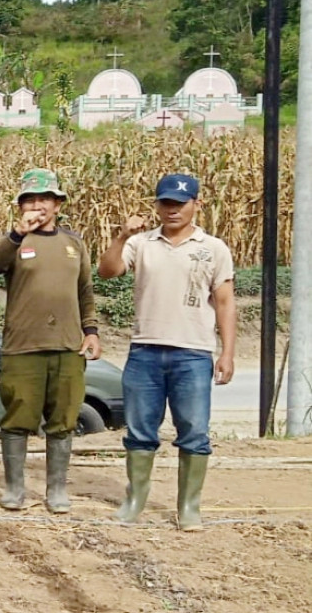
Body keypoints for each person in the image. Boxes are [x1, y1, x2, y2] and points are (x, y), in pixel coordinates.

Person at [98, 174, 236, 531]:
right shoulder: (142, 243)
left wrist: (227, 352)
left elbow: (224, 302)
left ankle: (189, 507)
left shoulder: (214, 248)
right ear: (156, 205)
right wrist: (122, 235)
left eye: (180, 203)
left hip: (192, 353)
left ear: (196, 204)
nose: (172, 210)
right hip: (145, 349)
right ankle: (135, 501)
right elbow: (107, 271)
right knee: (140, 431)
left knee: (194, 431)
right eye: (165, 203)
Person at [0, 169, 101, 514]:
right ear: (21, 206)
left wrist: (91, 330)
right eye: (31, 200)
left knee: (63, 419)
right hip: (22, 346)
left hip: (66, 345)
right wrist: (18, 234)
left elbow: (85, 291)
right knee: (18, 417)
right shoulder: (16, 241)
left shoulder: (73, 243)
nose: (38, 206)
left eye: (45, 199)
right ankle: (15, 489)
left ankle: (56, 489)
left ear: (58, 204)